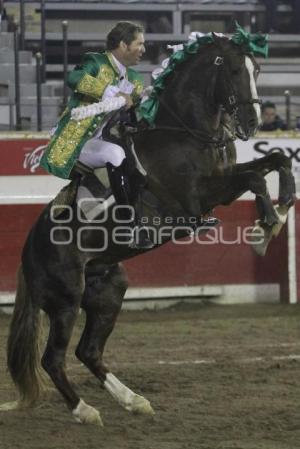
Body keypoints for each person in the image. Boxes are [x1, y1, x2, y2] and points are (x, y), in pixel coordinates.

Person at [41, 21, 154, 248]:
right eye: (139, 44)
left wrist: (137, 106)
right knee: (115, 154)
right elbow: (73, 79)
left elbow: (134, 116)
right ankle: (130, 225)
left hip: (101, 141)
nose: (144, 49)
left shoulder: (135, 80)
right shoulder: (95, 61)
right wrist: (108, 92)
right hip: (75, 141)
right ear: (123, 44)